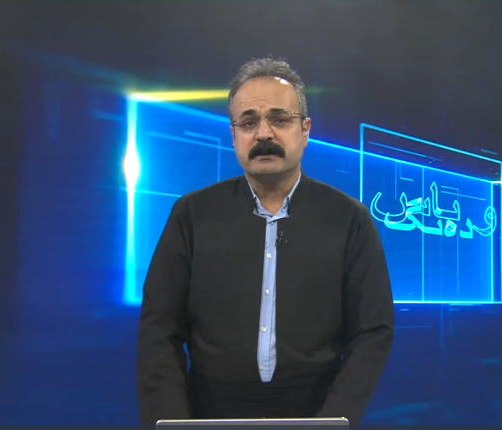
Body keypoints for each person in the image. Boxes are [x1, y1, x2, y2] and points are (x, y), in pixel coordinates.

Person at [136, 57, 394, 426]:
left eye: (280, 119)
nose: (263, 134)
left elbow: (372, 332)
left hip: (317, 415)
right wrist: (172, 421)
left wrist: (335, 419)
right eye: (248, 122)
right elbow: (159, 328)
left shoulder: (349, 219)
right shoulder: (192, 215)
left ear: (305, 130)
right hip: (208, 416)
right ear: (233, 135)